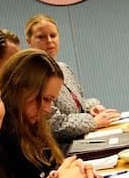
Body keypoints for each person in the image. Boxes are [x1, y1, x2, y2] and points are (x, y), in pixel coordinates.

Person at [0, 48, 100, 178]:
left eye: (51, 100)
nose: (47, 109)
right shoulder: (0, 140)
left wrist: (74, 174)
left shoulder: (33, 127)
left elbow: (52, 172)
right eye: (45, 99)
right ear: (20, 91)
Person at [24, 13, 120, 142]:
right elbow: (54, 125)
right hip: (61, 148)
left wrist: (91, 108)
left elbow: (78, 104)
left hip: (83, 139)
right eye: (41, 37)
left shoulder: (63, 68)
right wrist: (92, 121)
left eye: (53, 35)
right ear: (29, 41)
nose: (49, 41)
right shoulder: (32, 77)